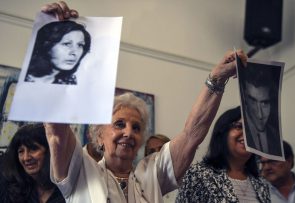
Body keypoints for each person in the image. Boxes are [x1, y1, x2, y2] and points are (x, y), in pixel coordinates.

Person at [42, 1, 248, 203]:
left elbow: (192, 135)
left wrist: (217, 79)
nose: (129, 133)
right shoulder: (80, 171)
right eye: (119, 124)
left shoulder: (152, 174)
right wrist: (58, 34)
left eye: (137, 127)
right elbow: (56, 132)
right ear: (99, 134)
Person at [176, 106, 270, 203]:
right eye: (239, 127)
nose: (247, 134)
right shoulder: (198, 175)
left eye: (252, 129)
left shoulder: (261, 182)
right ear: (222, 133)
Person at [0, 123, 65, 203]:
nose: (26, 157)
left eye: (33, 149)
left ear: (49, 151)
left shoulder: (65, 187)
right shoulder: (9, 187)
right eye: (21, 151)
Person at [24, 19, 91, 85]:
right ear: (46, 46)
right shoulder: (23, 77)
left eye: (80, 45)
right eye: (67, 44)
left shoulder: (69, 81)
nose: (75, 53)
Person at [240, 64, 282, 156]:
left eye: (265, 103)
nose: (260, 115)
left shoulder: (275, 135)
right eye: (253, 101)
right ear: (245, 99)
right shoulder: (236, 133)